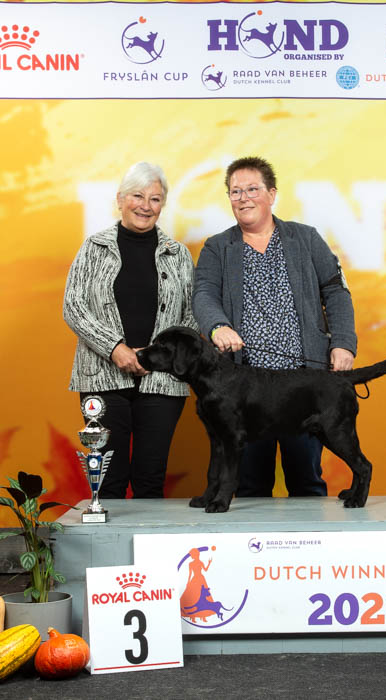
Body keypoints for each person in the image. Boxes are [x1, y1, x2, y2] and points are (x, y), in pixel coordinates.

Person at [192, 156, 357, 498]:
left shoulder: (306, 238)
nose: (243, 198)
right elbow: (203, 293)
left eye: (252, 189)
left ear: (271, 194)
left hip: (302, 384)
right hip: (245, 389)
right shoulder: (217, 247)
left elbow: (335, 291)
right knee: (250, 486)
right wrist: (217, 326)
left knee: (307, 482)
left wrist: (342, 342)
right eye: (235, 191)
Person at [63, 161, 197, 499]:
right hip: (102, 377)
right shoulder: (93, 249)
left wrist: (157, 357)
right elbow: (73, 307)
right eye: (137, 196)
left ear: (162, 205)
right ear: (120, 199)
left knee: (150, 480)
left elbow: (192, 317)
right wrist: (115, 349)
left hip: (162, 381)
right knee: (108, 480)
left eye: (155, 199)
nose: (145, 206)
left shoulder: (178, 255)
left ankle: (147, 539)